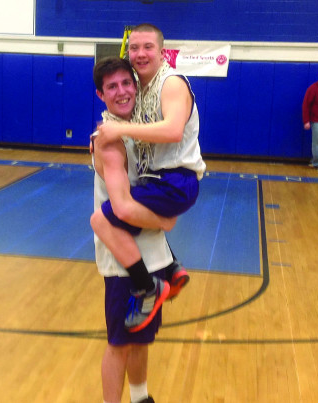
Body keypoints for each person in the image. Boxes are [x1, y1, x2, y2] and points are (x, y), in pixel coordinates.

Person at [93, 23, 206, 332]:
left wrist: (118, 130)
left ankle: (147, 286)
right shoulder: (142, 89)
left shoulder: (171, 84)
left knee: (103, 219)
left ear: (162, 52)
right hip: (161, 179)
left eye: (147, 47)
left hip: (175, 180)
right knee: (133, 204)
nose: (140, 53)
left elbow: (173, 130)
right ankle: (172, 267)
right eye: (134, 48)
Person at [92, 56, 173, 403]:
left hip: (151, 254)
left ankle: (140, 398)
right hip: (123, 261)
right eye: (112, 87)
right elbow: (123, 206)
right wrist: (165, 219)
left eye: (127, 83)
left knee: (142, 339)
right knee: (120, 344)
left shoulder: (137, 129)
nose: (122, 91)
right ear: (101, 95)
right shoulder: (108, 141)